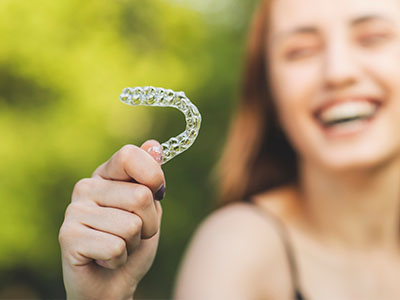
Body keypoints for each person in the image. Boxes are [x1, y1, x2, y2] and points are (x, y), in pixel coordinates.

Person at [58, 0, 400, 298]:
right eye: (300, 50)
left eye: (373, 37)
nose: (338, 72)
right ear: (269, 91)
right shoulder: (236, 251)